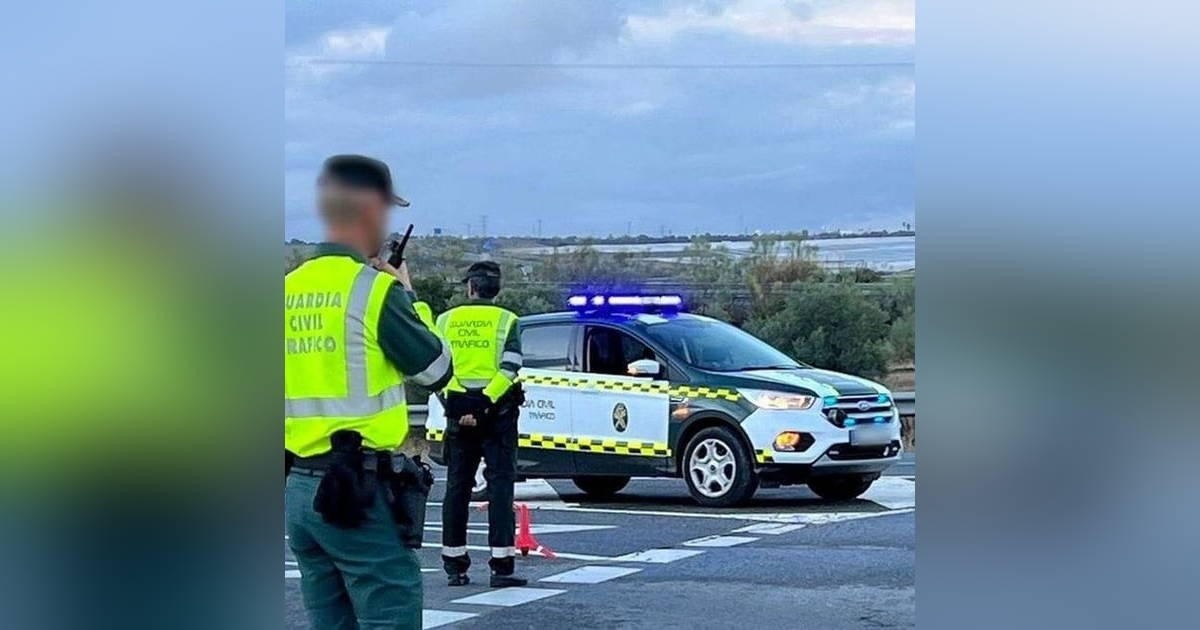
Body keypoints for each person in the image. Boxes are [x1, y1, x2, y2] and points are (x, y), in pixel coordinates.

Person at [285, 155, 453, 630]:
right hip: (358, 492)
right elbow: (436, 370)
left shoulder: (285, 290)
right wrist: (407, 294)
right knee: (390, 614)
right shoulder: (374, 292)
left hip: (300, 488)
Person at [437, 261, 526, 588]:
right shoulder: (507, 320)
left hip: (459, 416)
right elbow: (511, 367)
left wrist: (459, 406)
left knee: (457, 488)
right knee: (501, 487)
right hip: (498, 416)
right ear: (495, 290)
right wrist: (485, 403)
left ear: (470, 288)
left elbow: (438, 368)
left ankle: (454, 567)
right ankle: (501, 566)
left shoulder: (445, 320)